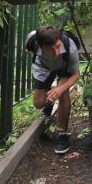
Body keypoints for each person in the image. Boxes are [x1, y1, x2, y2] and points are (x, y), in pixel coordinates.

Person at [26, 25, 80, 154]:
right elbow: (28, 50)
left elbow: (76, 74)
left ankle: (62, 134)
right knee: (38, 103)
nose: (56, 52)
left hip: (64, 67)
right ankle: (49, 105)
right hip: (43, 67)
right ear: (40, 45)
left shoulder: (69, 46)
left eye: (58, 46)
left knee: (63, 93)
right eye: (51, 49)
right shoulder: (31, 41)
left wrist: (61, 88)